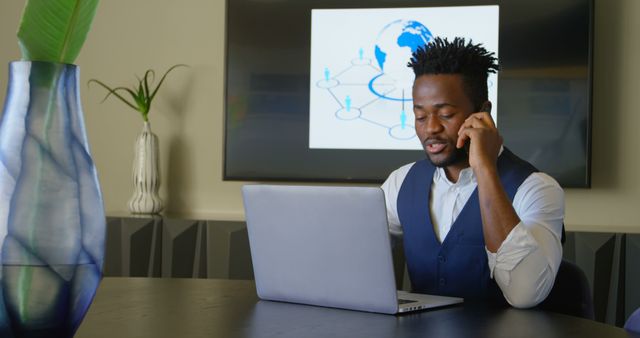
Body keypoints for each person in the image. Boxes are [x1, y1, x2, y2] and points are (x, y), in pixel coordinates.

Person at [381, 37, 564, 308]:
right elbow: (349, 254)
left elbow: (524, 294)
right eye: (420, 116)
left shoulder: (536, 188)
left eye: (445, 114)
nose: (430, 128)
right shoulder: (401, 182)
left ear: (482, 113)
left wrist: (485, 170)